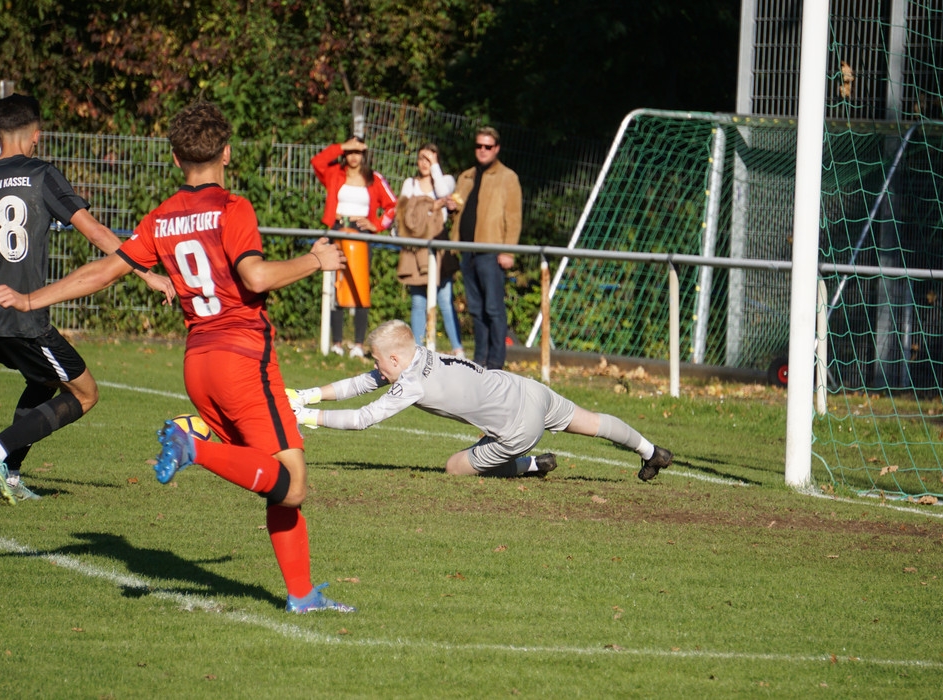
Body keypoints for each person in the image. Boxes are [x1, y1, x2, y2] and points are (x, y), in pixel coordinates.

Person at [0, 101, 355, 614]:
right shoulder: (234, 207)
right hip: (242, 357)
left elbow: (102, 272)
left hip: (198, 363)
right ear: (227, 152)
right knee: (292, 484)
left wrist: (31, 299)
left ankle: (302, 594)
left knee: (278, 474)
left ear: (175, 157)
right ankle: (194, 447)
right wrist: (315, 260)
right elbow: (254, 277)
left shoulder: (162, 217)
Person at [0, 93, 174, 504]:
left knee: (43, 380)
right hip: (23, 321)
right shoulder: (40, 173)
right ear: (36, 137)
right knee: (85, 394)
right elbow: (96, 232)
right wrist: (147, 273)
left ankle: (8, 475)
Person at [287, 320, 673, 481]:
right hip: (526, 390)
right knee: (591, 421)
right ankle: (649, 449)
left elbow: (362, 419)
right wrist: (307, 395)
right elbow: (365, 382)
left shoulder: (410, 385)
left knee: (454, 467)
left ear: (393, 359)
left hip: (519, 429)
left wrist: (305, 417)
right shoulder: (421, 353)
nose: (375, 368)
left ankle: (529, 465)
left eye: (377, 360)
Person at [311, 136, 396, 359]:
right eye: (350, 151)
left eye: (358, 152)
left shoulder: (374, 179)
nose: (353, 156)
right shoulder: (334, 174)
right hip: (338, 231)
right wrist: (341, 146)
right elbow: (317, 162)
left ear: (364, 154)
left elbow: (393, 207)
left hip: (361, 235)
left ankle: (359, 343)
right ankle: (337, 342)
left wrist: (376, 225)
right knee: (337, 284)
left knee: (360, 286)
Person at [445, 126, 521, 370]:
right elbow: (458, 207)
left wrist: (508, 250)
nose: (483, 151)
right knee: (475, 309)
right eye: (479, 146)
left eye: (488, 146)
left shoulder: (508, 177)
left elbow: (514, 217)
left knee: (493, 308)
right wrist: (450, 207)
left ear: (496, 148)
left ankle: (496, 361)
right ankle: (480, 360)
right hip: (467, 250)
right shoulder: (466, 176)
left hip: (491, 251)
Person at [396, 143, 464, 357]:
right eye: (422, 158)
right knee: (418, 301)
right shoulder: (410, 183)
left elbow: (446, 194)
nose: (424, 163)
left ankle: (458, 348)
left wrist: (436, 169)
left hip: (439, 246)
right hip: (415, 248)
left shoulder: (446, 181)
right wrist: (432, 206)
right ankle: (417, 349)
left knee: (445, 299)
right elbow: (405, 212)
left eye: (430, 159)